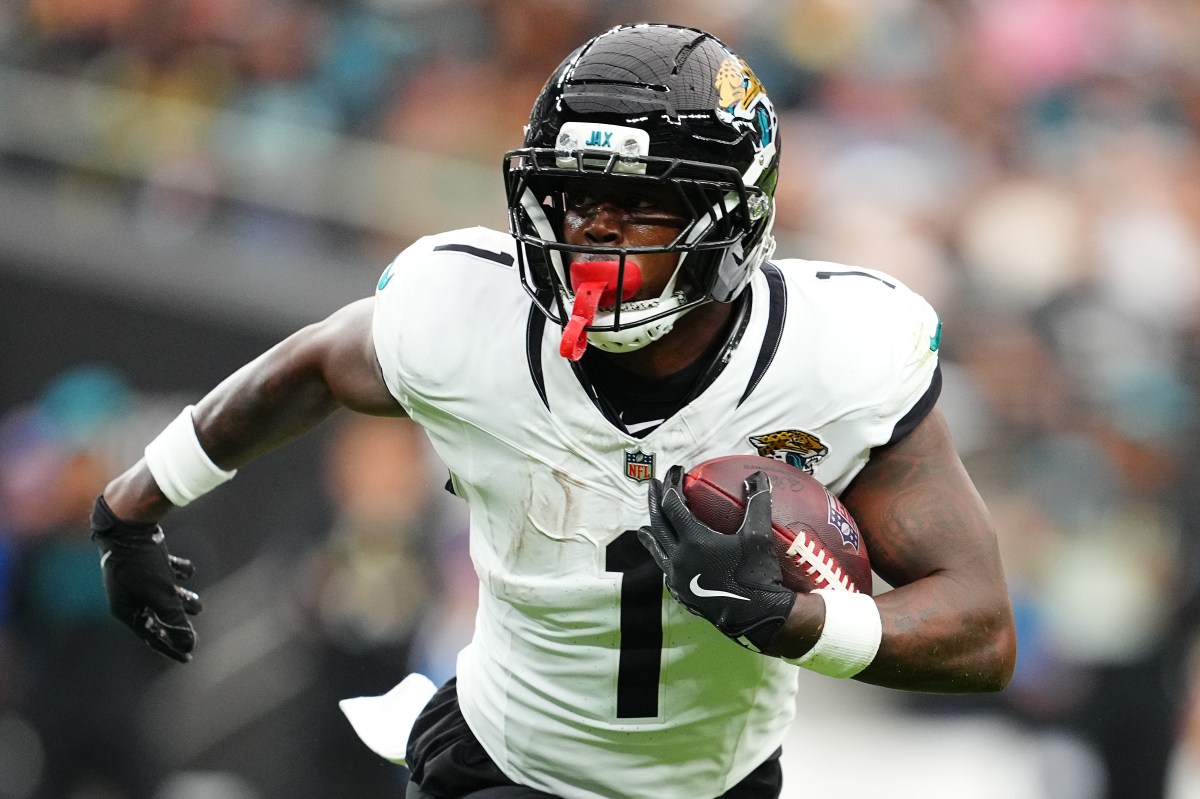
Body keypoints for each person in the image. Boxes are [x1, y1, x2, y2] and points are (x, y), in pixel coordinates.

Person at [90, 23, 1016, 799]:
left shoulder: (838, 354)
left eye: (640, 201)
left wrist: (795, 620)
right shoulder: (467, 314)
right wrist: (129, 507)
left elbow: (981, 630)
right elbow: (310, 366)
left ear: (731, 216)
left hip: (717, 783)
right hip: (503, 763)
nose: (594, 228)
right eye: (575, 196)